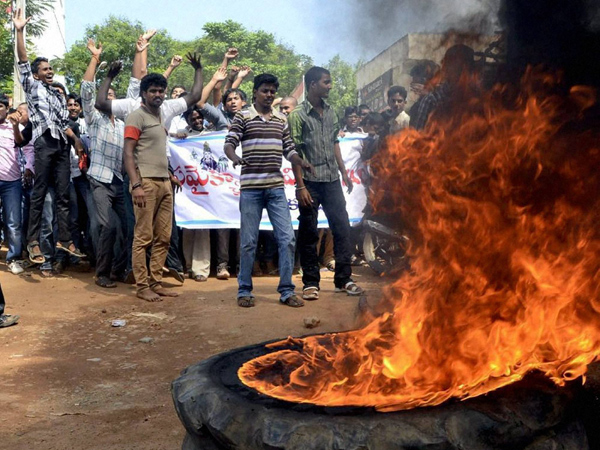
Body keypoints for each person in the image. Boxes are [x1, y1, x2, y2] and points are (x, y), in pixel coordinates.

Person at [224, 73, 312, 308]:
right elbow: (229, 143)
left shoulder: (281, 119)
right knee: (248, 242)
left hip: (275, 188)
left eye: (272, 91)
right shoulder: (243, 116)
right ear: (255, 92)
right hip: (251, 189)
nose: (269, 94)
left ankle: (286, 290)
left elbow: (289, 149)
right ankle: (244, 290)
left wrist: (300, 161)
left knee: (287, 239)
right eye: (265, 90)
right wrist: (234, 158)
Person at [123, 53, 203, 302]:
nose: (158, 94)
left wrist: (169, 175)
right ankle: (142, 286)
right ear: (144, 94)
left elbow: (153, 151)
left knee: (164, 237)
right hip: (145, 183)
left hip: (164, 182)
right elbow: (128, 153)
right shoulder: (136, 116)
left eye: (161, 91)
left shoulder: (159, 117)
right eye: (153, 91)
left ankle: (156, 282)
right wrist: (136, 184)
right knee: (143, 237)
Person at [13, 9, 86, 265]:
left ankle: (64, 239)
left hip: (61, 146)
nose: (50, 70)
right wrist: (20, 31)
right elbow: (23, 60)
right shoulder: (32, 86)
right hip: (43, 143)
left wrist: (76, 140)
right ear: (36, 74)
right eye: (45, 68)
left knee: (64, 194)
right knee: (40, 191)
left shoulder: (57, 94)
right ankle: (33, 241)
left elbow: (63, 123)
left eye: (51, 67)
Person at [288, 66, 363, 299]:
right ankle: (310, 282)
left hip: (332, 181)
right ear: (313, 84)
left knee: (342, 229)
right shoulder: (297, 115)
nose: (330, 86)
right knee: (309, 233)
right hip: (309, 182)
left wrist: (344, 172)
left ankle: (344, 279)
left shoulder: (331, 112)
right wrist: (300, 186)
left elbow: (334, 143)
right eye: (326, 82)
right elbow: (294, 152)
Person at [81, 40, 128, 288]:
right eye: (105, 94)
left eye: (111, 96)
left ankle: (119, 270)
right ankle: (102, 274)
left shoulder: (122, 124)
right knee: (107, 226)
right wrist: (96, 61)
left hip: (119, 181)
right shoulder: (94, 118)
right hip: (99, 180)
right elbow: (86, 90)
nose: (108, 97)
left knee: (128, 227)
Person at [411, 45, 476, 131]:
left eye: (466, 67)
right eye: (457, 66)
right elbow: (419, 135)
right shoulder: (433, 100)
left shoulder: (477, 100)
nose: (462, 72)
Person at [0, 94, 30, 274]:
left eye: (0, 106)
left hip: (12, 182)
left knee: (13, 222)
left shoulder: (15, 126)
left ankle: (13, 258)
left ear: (6, 108)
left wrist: (14, 127)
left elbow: (22, 144)